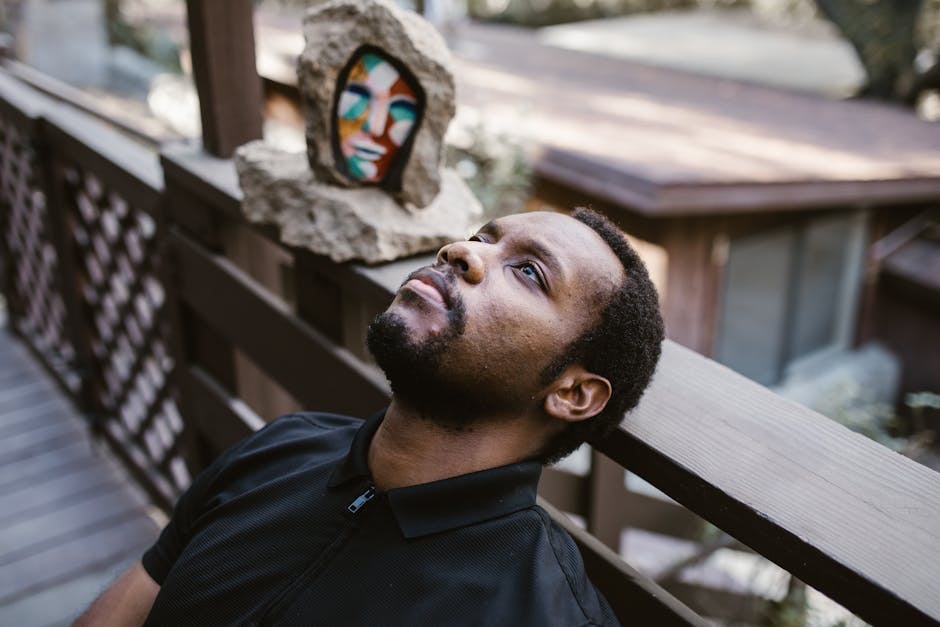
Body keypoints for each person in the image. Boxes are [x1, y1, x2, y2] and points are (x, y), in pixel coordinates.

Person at [75, 208, 664, 626]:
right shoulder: (285, 446)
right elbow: (141, 594)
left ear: (574, 393)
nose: (462, 253)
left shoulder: (539, 611)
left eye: (529, 271)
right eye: (481, 237)